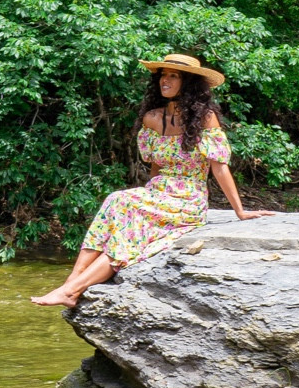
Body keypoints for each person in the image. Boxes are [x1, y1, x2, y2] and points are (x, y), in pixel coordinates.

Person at [32, 53, 269, 306]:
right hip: (159, 192)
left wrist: (240, 211)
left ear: (188, 82)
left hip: (188, 199)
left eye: (173, 76)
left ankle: (70, 290)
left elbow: (219, 168)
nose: (164, 81)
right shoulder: (153, 118)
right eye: (162, 75)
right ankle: (71, 283)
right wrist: (148, 201)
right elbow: (156, 167)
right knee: (118, 200)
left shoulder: (205, 118)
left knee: (127, 207)